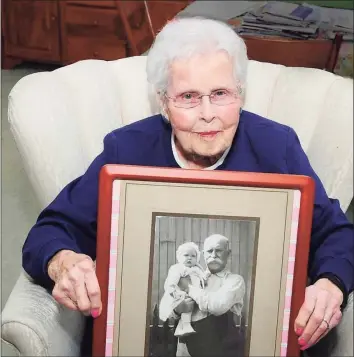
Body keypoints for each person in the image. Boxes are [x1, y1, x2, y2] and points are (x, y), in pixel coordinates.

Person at [21, 16, 353, 357]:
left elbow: (337, 233)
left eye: (221, 93)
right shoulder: (126, 150)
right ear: (164, 103)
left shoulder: (277, 147)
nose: (207, 114)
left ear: (241, 93)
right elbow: (50, 231)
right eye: (189, 97)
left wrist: (331, 283)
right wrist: (64, 263)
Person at [165, 234, 245, 357]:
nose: (213, 255)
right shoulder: (191, 275)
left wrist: (188, 287)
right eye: (209, 251)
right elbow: (170, 311)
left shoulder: (234, 280)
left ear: (228, 254)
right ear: (203, 254)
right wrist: (177, 309)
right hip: (185, 348)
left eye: (218, 250)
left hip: (218, 348)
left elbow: (217, 306)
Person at [159, 242, 206, 337]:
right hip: (182, 293)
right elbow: (173, 278)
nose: (189, 258)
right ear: (179, 257)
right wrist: (171, 287)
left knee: (192, 308)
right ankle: (185, 326)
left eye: (193, 256)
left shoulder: (197, 269)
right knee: (186, 308)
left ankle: (183, 327)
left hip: (196, 294)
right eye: (186, 255)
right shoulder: (178, 268)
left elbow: (203, 278)